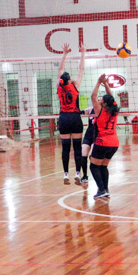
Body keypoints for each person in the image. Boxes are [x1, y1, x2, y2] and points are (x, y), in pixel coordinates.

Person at [56, 43, 86, 183]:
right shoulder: (75, 86)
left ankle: (66, 174)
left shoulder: (59, 87)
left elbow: (60, 69)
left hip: (63, 118)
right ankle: (78, 173)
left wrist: (64, 54)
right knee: (77, 147)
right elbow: (81, 69)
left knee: (66, 148)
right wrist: (83, 52)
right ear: (69, 79)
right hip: (75, 118)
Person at [89, 74, 119, 199]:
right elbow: (111, 97)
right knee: (103, 166)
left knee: (93, 166)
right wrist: (105, 83)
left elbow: (93, 96)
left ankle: (101, 190)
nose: (100, 101)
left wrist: (98, 81)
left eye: (102, 100)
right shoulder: (115, 111)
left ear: (105, 103)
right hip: (114, 143)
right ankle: (105, 189)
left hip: (102, 142)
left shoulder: (100, 110)